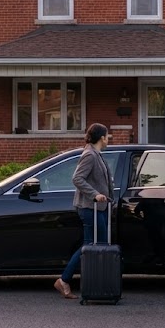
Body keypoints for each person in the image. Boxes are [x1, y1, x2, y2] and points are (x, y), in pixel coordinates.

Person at [54, 123, 114, 299]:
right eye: (107, 136)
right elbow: (77, 178)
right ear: (102, 137)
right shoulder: (89, 155)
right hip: (90, 207)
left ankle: (91, 283)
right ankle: (67, 280)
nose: (108, 139)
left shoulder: (96, 154)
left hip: (98, 207)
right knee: (93, 246)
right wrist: (95, 194)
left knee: (93, 246)